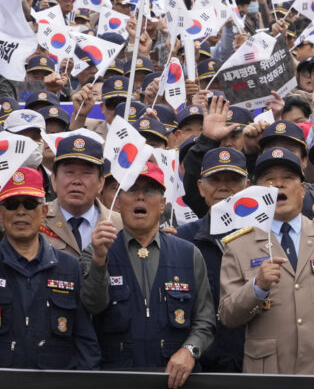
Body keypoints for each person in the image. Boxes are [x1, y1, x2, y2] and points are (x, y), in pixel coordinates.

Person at [218, 147, 314, 375]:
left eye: (288, 178)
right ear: (255, 191)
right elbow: (227, 315)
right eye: (269, 179)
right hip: (269, 375)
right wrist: (256, 288)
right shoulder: (239, 245)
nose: (279, 185)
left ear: (302, 189)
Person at [0, 168, 100, 369]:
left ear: (44, 212)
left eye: (30, 203)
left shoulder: (69, 267)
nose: (21, 211)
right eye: (11, 204)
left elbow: (85, 340)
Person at [81, 162, 215, 387]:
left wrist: (190, 351)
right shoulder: (96, 251)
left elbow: (206, 320)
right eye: (132, 190)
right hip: (116, 379)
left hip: (176, 380)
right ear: (118, 202)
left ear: (163, 203)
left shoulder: (188, 253)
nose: (140, 197)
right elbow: (92, 306)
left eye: (150, 190)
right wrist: (99, 259)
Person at [177, 145, 249, 372]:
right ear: (200, 187)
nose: (224, 187)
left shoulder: (265, 237)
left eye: (233, 179)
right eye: (215, 179)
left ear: (247, 186)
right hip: (199, 364)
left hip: (254, 362)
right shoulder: (182, 239)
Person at [43, 135, 123, 258]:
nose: (77, 181)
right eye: (69, 172)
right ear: (53, 179)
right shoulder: (38, 220)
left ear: (101, 182)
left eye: (86, 173)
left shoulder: (119, 225)